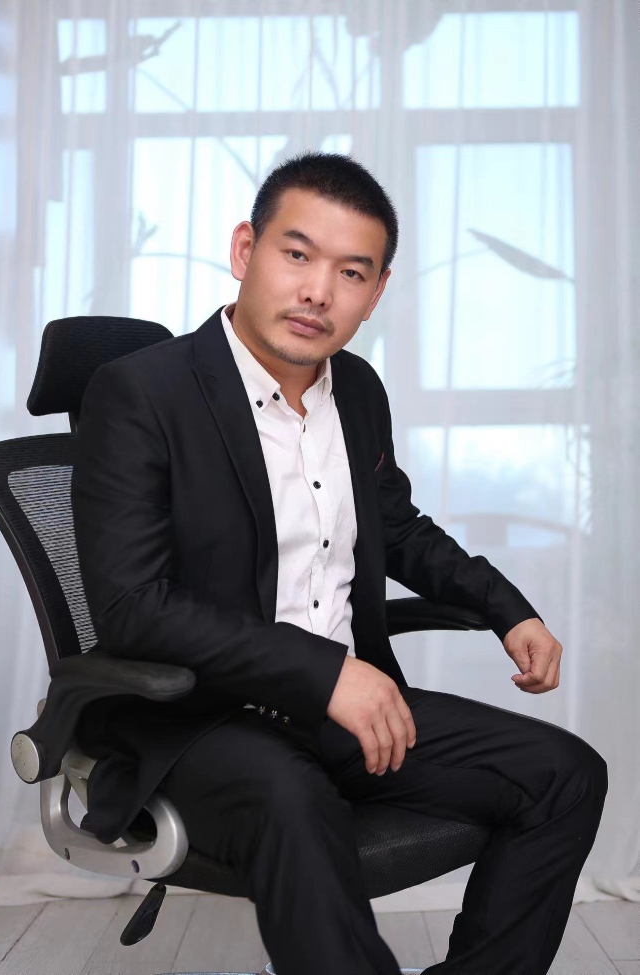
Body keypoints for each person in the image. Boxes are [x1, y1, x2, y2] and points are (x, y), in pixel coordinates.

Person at [71, 151, 607, 975]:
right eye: (297, 254)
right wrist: (325, 674)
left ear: (376, 290)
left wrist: (510, 609)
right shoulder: (141, 392)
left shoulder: (354, 388)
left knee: (564, 776)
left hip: (345, 711)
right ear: (245, 250)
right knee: (296, 802)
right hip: (203, 720)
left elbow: (398, 527)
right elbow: (134, 607)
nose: (318, 291)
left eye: (350, 271)